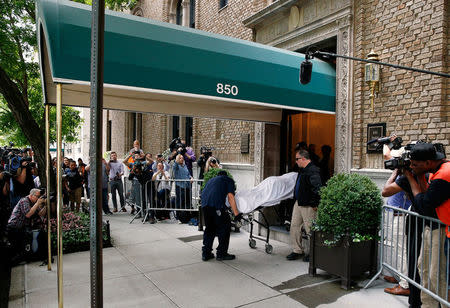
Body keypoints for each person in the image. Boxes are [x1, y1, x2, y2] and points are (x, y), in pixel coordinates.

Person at [404, 143, 449, 308]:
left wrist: (411, 178)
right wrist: (419, 175)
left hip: (443, 230)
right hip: (432, 226)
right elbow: (425, 199)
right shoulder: (436, 171)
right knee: (423, 267)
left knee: (437, 274)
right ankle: (428, 305)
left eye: (415, 164)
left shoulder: (444, 175)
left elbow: (423, 205)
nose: (412, 167)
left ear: (428, 163)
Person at [286, 150, 322, 262]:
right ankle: (297, 250)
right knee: (295, 226)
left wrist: (315, 203)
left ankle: (313, 253)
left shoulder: (313, 170)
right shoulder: (302, 170)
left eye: (297, 159)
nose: (296, 161)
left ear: (303, 159)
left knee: (310, 228)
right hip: (299, 202)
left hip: (308, 205)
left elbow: (318, 188)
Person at [201, 170, 239, 261]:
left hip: (205, 206)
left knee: (210, 229)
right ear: (226, 175)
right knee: (225, 227)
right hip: (216, 207)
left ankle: (206, 253)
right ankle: (222, 253)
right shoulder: (228, 180)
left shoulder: (211, 180)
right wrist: (236, 214)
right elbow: (230, 196)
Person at [7, 188, 47, 263]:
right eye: (37, 197)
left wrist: (46, 206)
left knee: (23, 248)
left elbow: (40, 214)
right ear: (31, 195)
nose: (38, 198)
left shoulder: (33, 203)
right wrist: (38, 203)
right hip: (14, 227)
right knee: (17, 249)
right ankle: (11, 263)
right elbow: (28, 214)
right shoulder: (24, 200)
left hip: (21, 228)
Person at [172, 154, 193, 223]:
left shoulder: (184, 165)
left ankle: (186, 217)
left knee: (187, 201)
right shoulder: (176, 166)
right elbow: (175, 165)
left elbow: (188, 174)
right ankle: (179, 217)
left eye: (182, 158)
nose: (182, 159)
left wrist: (191, 178)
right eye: (180, 158)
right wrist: (177, 158)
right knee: (180, 202)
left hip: (187, 186)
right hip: (180, 186)